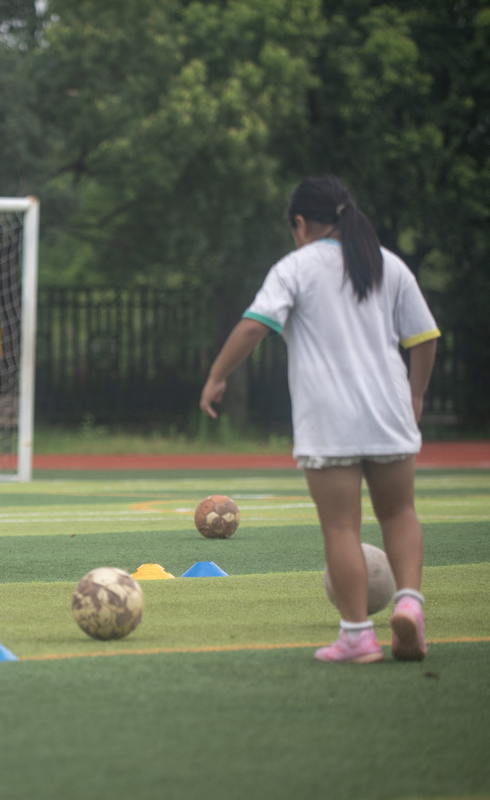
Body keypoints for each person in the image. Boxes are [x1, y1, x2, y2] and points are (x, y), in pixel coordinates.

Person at [200, 175, 439, 664]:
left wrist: (217, 376)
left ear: (301, 224)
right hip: (389, 410)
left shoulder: (296, 267)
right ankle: (410, 604)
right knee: (400, 512)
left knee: (342, 528)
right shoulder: (388, 264)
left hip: (330, 418)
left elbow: (253, 327)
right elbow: (425, 337)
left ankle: (356, 636)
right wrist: (415, 395)